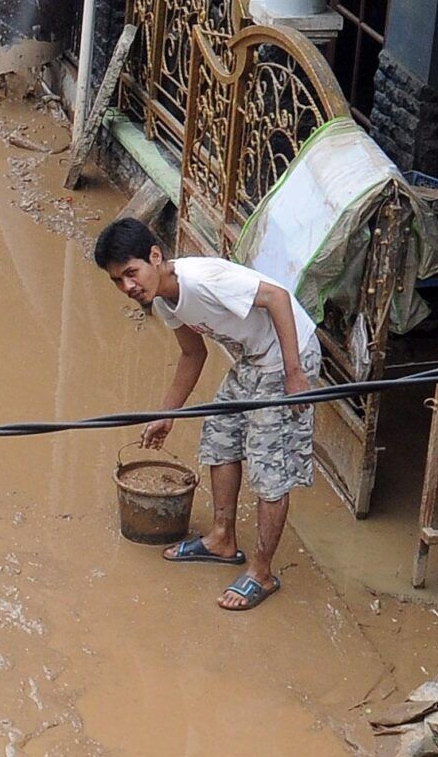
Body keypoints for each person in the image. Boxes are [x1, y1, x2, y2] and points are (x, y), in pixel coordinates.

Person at [94, 216, 321, 611]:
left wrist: (295, 372)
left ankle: (262, 573)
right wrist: (167, 414)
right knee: (219, 438)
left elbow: (277, 298)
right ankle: (222, 539)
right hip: (252, 359)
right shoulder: (164, 301)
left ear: (155, 256)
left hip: (289, 355)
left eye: (131, 273)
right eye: (118, 280)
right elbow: (192, 353)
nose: (128, 287)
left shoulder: (202, 279)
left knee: (270, 468)